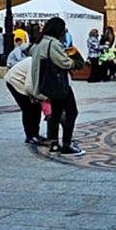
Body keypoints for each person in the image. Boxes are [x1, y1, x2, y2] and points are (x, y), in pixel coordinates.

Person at [30, 17, 83, 155]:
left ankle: (54, 143)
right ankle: (66, 144)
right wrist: (75, 62)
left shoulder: (39, 42)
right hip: (58, 84)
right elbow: (63, 62)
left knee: (56, 113)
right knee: (72, 112)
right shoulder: (52, 43)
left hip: (47, 84)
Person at [4, 55, 45, 145]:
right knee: (28, 108)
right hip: (15, 81)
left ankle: (35, 134)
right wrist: (43, 98)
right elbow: (29, 87)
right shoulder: (35, 64)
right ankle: (30, 136)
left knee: (36, 108)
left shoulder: (42, 62)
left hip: (24, 81)